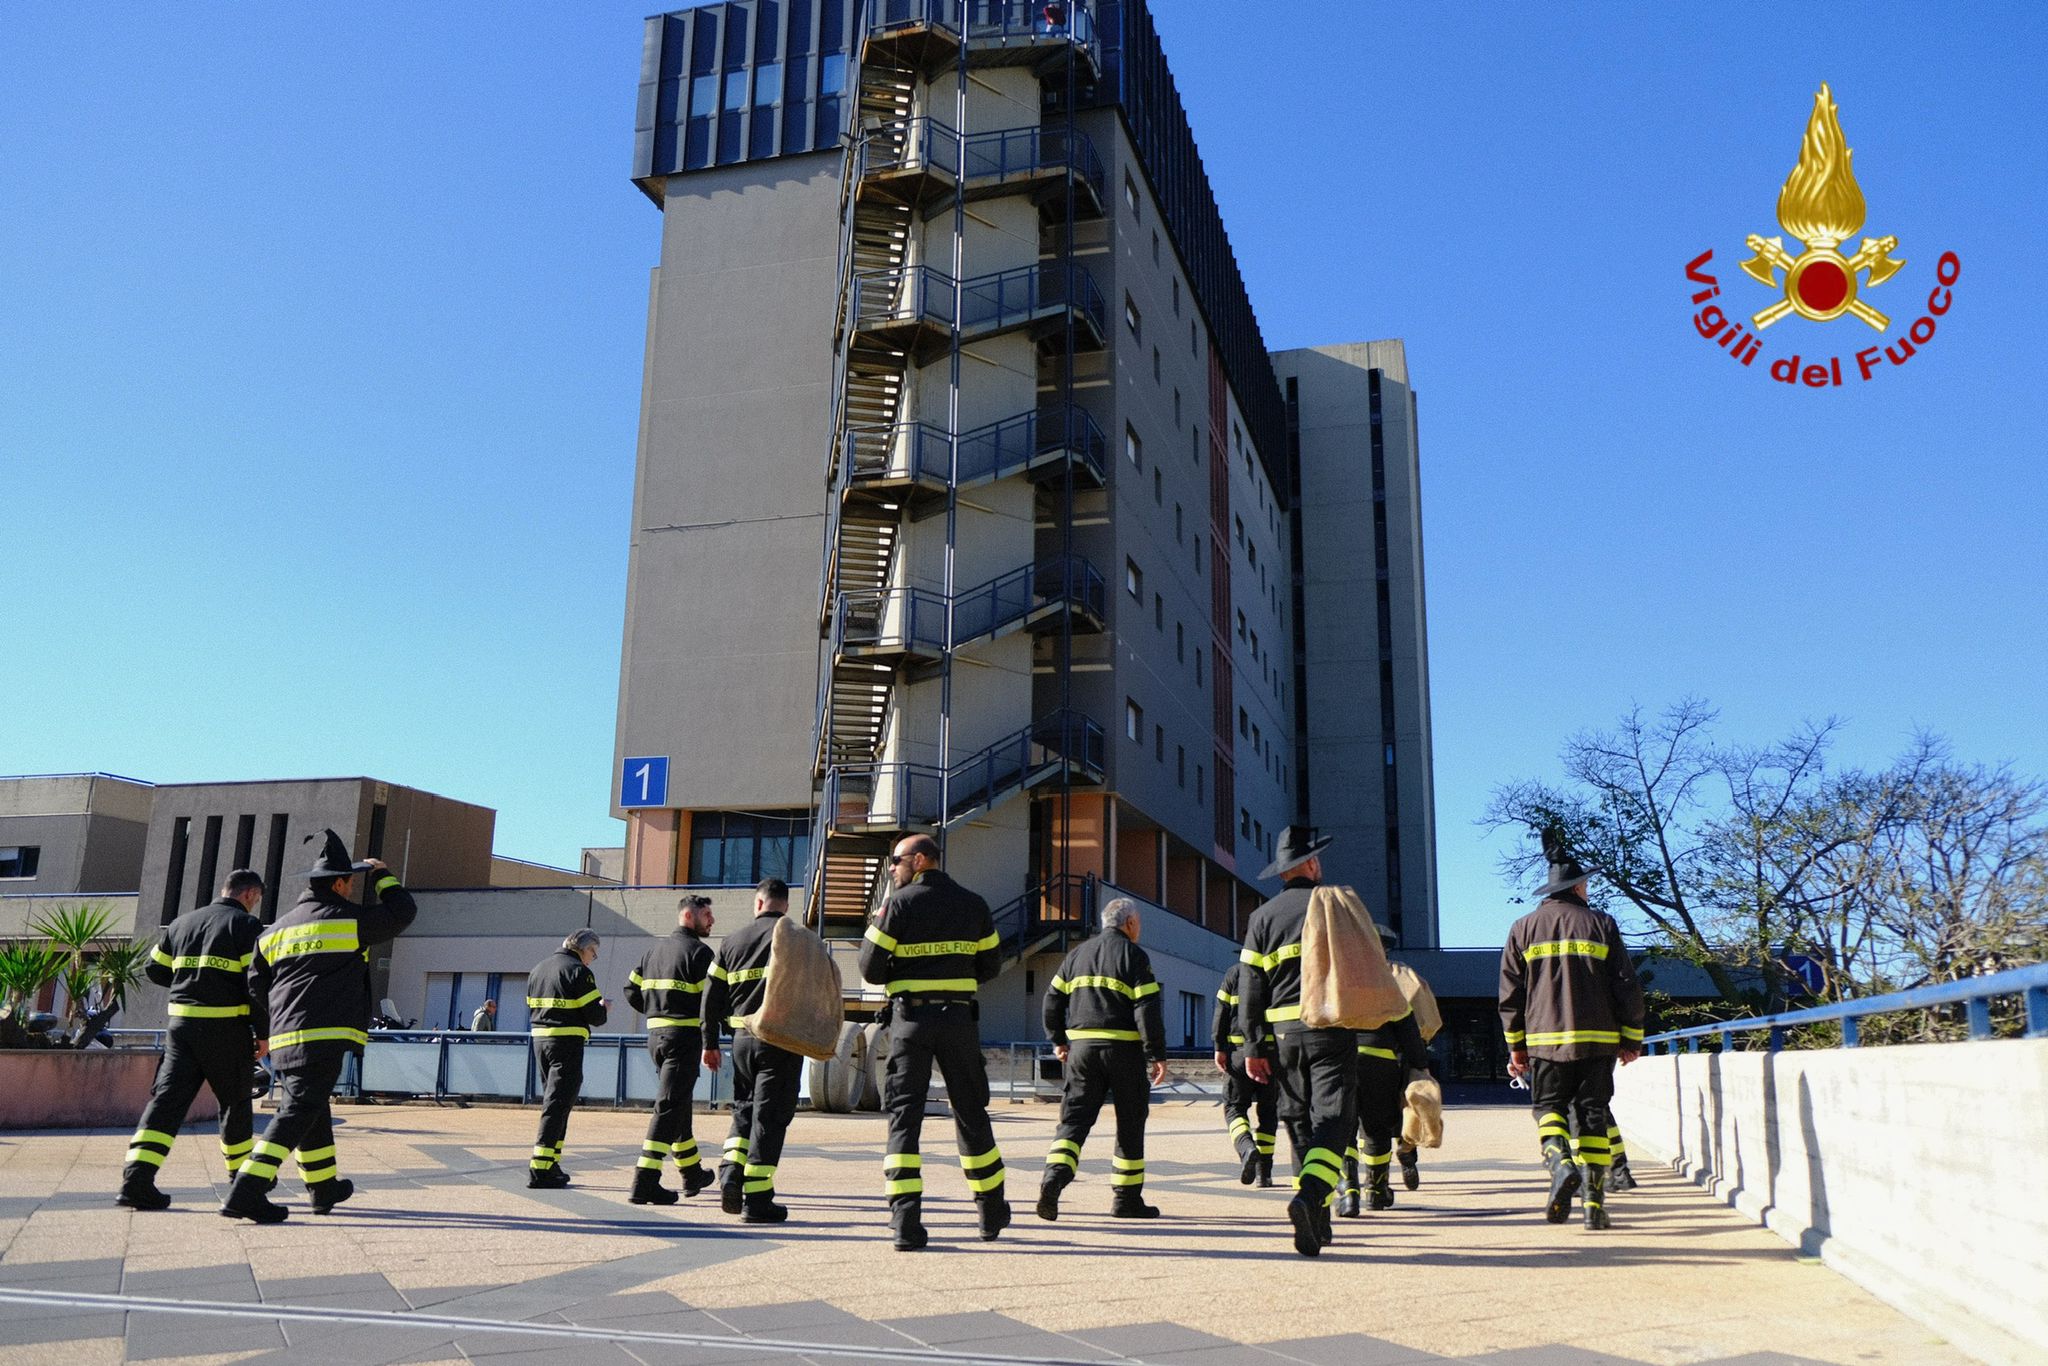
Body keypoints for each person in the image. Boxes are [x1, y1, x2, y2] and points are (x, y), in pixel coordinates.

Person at [220, 830, 417, 1223]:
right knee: (298, 1110)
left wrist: (284, 1014)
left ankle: (322, 1187)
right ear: (341, 883)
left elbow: (256, 983)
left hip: (285, 1034)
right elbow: (402, 912)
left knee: (311, 1109)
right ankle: (247, 1190)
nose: (351, 889)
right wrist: (382, 875)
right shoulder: (348, 920)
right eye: (352, 883)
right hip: (324, 1033)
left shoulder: (273, 930)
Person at [858, 834, 1009, 1252]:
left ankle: (906, 1221)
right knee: (970, 1113)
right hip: (959, 1020)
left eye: (896, 861)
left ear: (920, 860)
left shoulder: (900, 904)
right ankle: (991, 1209)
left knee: (905, 1117)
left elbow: (869, 969)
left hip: (911, 1022)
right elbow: (991, 965)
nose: (892, 868)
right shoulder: (975, 904)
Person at [1499, 828, 1646, 1230]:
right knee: (1592, 1115)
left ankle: (1560, 1164)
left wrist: (1516, 1046)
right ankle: (1594, 1205)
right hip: (1598, 1042)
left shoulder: (1522, 928)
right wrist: (1631, 1036)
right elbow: (1625, 984)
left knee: (1548, 1110)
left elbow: (1510, 994)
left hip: (1545, 1043)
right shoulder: (1602, 924)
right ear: (1578, 887)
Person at [117, 869, 268, 1210]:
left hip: (181, 1029)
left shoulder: (182, 923)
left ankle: (136, 1180)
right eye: (256, 899)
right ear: (248, 895)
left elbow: (155, 970)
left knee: (166, 1104)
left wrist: (191, 980)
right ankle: (242, 1185)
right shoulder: (245, 927)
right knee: (235, 1104)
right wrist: (264, 1033)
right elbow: (255, 985)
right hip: (226, 1030)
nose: (255, 905)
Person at [1238, 824, 1353, 1258]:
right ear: (1309, 863)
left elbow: (1250, 988)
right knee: (1336, 1120)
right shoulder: (1334, 906)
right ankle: (1310, 1197)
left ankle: (1317, 1221)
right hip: (1329, 1029)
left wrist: (1253, 1047)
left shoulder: (1261, 918)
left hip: (1282, 1037)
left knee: (1300, 1123)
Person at [1037, 897, 1167, 1221]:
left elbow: (1051, 999)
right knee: (1130, 1124)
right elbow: (1147, 1009)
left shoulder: (1076, 955)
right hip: (1124, 1053)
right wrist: (1156, 1054)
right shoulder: (1135, 956)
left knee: (1074, 1122)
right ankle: (1126, 1200)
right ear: (1130, 924)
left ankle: (1054, 1178)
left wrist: (1058, 1039)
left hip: (1081, 1053)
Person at [702, 879, 800, 1224]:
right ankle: (758, 1199)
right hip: (780, 1041)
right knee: (769, 1119)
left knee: (744, 1110)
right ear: (785, 906)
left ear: (758, 904)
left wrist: (709, 1042)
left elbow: (711, 997)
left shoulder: (731, 941)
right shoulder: (795, 938)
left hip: (741, 1041)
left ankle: (730, 1173)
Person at [622, 893, 717, 1205]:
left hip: (656, 1039)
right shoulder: (700, 953)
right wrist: (711, 1040)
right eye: (706, 915)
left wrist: (655, 1011)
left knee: (679, 1104)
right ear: (689, 917)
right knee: (669, 1107)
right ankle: (644, 1181)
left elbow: (630, 989)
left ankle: (691, 1172)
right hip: (684, 1038)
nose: (712, 921)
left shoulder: (652, 951)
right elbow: (710, 1005)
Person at [1336, 921, 1429, 1218]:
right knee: (1375, 1131)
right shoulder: (1389, 987)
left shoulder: (1339, 980)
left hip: (1342, 1063)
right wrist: (1419, 1067)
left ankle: (1348, 1192)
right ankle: (1376, 1192)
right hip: (1381, 1066)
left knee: (1343, 1130)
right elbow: (1410, 1034)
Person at [524, 929, 609, 1188]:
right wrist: (604, 1008)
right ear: (583, 948)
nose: (592, 958)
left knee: (556, 1103)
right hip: (567, 1043)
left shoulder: (538, 969)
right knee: (559, 1105)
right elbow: (596, 1016)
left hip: (540, 1041)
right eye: (593, 953)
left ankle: (551, 1163)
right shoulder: (578, 972)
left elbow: (532, 1005)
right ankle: (540, 1167)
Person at [1211, 962, 1277, 1187]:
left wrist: (1219, 1046)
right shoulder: (1275, 969)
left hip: (1238, 1055)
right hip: (1272, 1055)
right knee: (1269, 1113)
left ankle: (1246, 1146)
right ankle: (1264, 1174)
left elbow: (1221, 1009)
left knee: (1234, 1108)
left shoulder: (1234, 973)